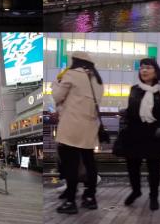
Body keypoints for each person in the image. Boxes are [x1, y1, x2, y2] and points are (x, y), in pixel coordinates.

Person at [119, 58, 160, 211]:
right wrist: (125, 114)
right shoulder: (134, 89)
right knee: (132, 166)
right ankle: (136, 191)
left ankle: (153, 196)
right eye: (142, 68)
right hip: (134, 132)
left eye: (148, 67)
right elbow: (131, 111)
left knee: (153, 168)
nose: (144, 70)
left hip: (154, 134)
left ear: (156, 71)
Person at [52, 51, 104, 214]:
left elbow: (57, 96)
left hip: (71, 128)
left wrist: (54, 84)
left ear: (75, 61)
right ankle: (90, 198)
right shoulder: (98, 79)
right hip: (89, 128)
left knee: (71, 165)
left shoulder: (72, 74)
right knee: (89, 163)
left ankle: (70, 201)